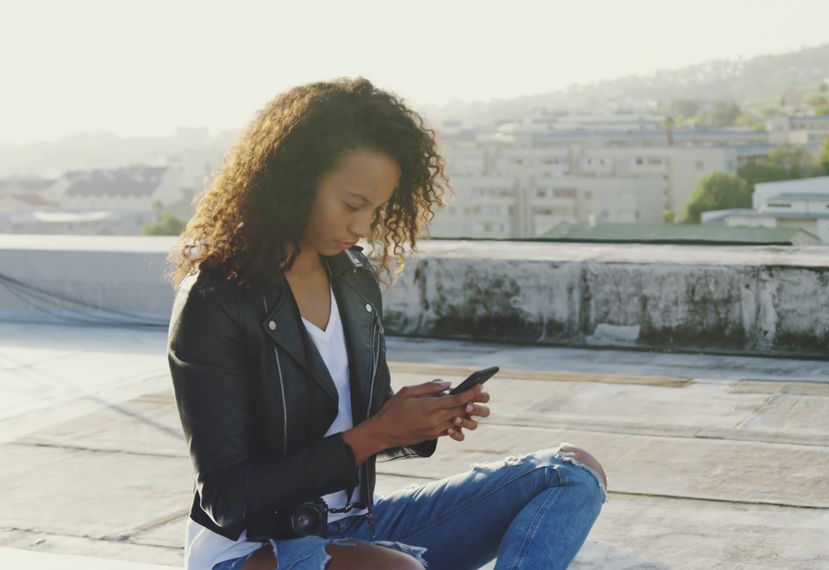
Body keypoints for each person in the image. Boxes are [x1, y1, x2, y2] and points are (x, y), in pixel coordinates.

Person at [165, 76, 608, 570]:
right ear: (293, 179)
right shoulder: (216, 299)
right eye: (353, 205)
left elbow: (357, 415)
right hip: (249, 547)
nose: (363, 227)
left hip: (353, 527)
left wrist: (419, 421)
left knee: (572, 473)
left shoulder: (353, 280)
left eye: (377, 209)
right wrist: (376, 433)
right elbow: (226, 496)